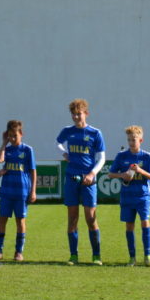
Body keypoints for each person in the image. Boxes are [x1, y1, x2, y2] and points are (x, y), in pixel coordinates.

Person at [57, 99, 106, 265]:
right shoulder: (67, 131)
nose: (76, 117)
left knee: (91, 218)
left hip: (88, 181)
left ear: (86, 113)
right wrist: (64, 153)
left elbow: (102, 158)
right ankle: (73, 255)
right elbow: (57, 142)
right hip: (72, 178)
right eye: (74, 114)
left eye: (79, 113)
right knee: (72, 218)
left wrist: (92, 173)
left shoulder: (95, 133)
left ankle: (96, 255)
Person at [108, 126, 150, 266]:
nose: (131, 142)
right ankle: (132, 257)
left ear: (140, 140)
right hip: (127, 196)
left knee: (145, 222)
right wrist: (122, 175)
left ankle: (147, 256)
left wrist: (140, 171)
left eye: (134, 140)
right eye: (129, 140)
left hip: (143, 196)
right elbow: (111, 174)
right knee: (129, 226)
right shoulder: (122, 156)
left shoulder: (147, 156)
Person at [0, 120, 36, 262]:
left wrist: (33, 191)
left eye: (15, 135)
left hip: (21, 192)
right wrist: (3, 143)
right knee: (2, 219)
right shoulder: (7, 150)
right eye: (10, 136)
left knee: (20, 221)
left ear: (21, 134)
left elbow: (33, 171)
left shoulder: (27, 150)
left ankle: (18, 252)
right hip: (7, 191)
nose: (13, 139)